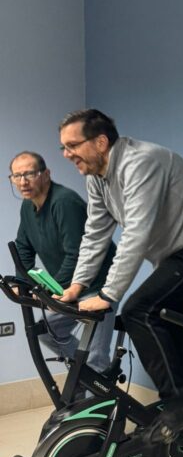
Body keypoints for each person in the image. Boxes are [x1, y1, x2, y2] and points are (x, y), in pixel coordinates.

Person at [57, 109, 183, 399]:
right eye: (63, 147)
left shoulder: (141, 162)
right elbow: (96, 232)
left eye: (72, 145)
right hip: (174, 256)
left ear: (100, 142)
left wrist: (108, 294)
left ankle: (177, 408)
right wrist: (77, 286)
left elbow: (137, 233)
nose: (66, 154)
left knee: (137, 311)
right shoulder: (97, 176)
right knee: (165, 323)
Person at [10, 150, 117, 371]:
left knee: (96, 356)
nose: (23, 181)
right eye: (17, 176)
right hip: (70, 286)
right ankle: (85, 374)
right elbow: (23, 248)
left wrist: (48, 290)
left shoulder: (64, 202)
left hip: (99, 283)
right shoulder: (28, 205)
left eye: (29, 174)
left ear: (46, 174)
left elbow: (76, 254)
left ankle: (94, 380)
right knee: (47, 332)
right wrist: (22, 283)